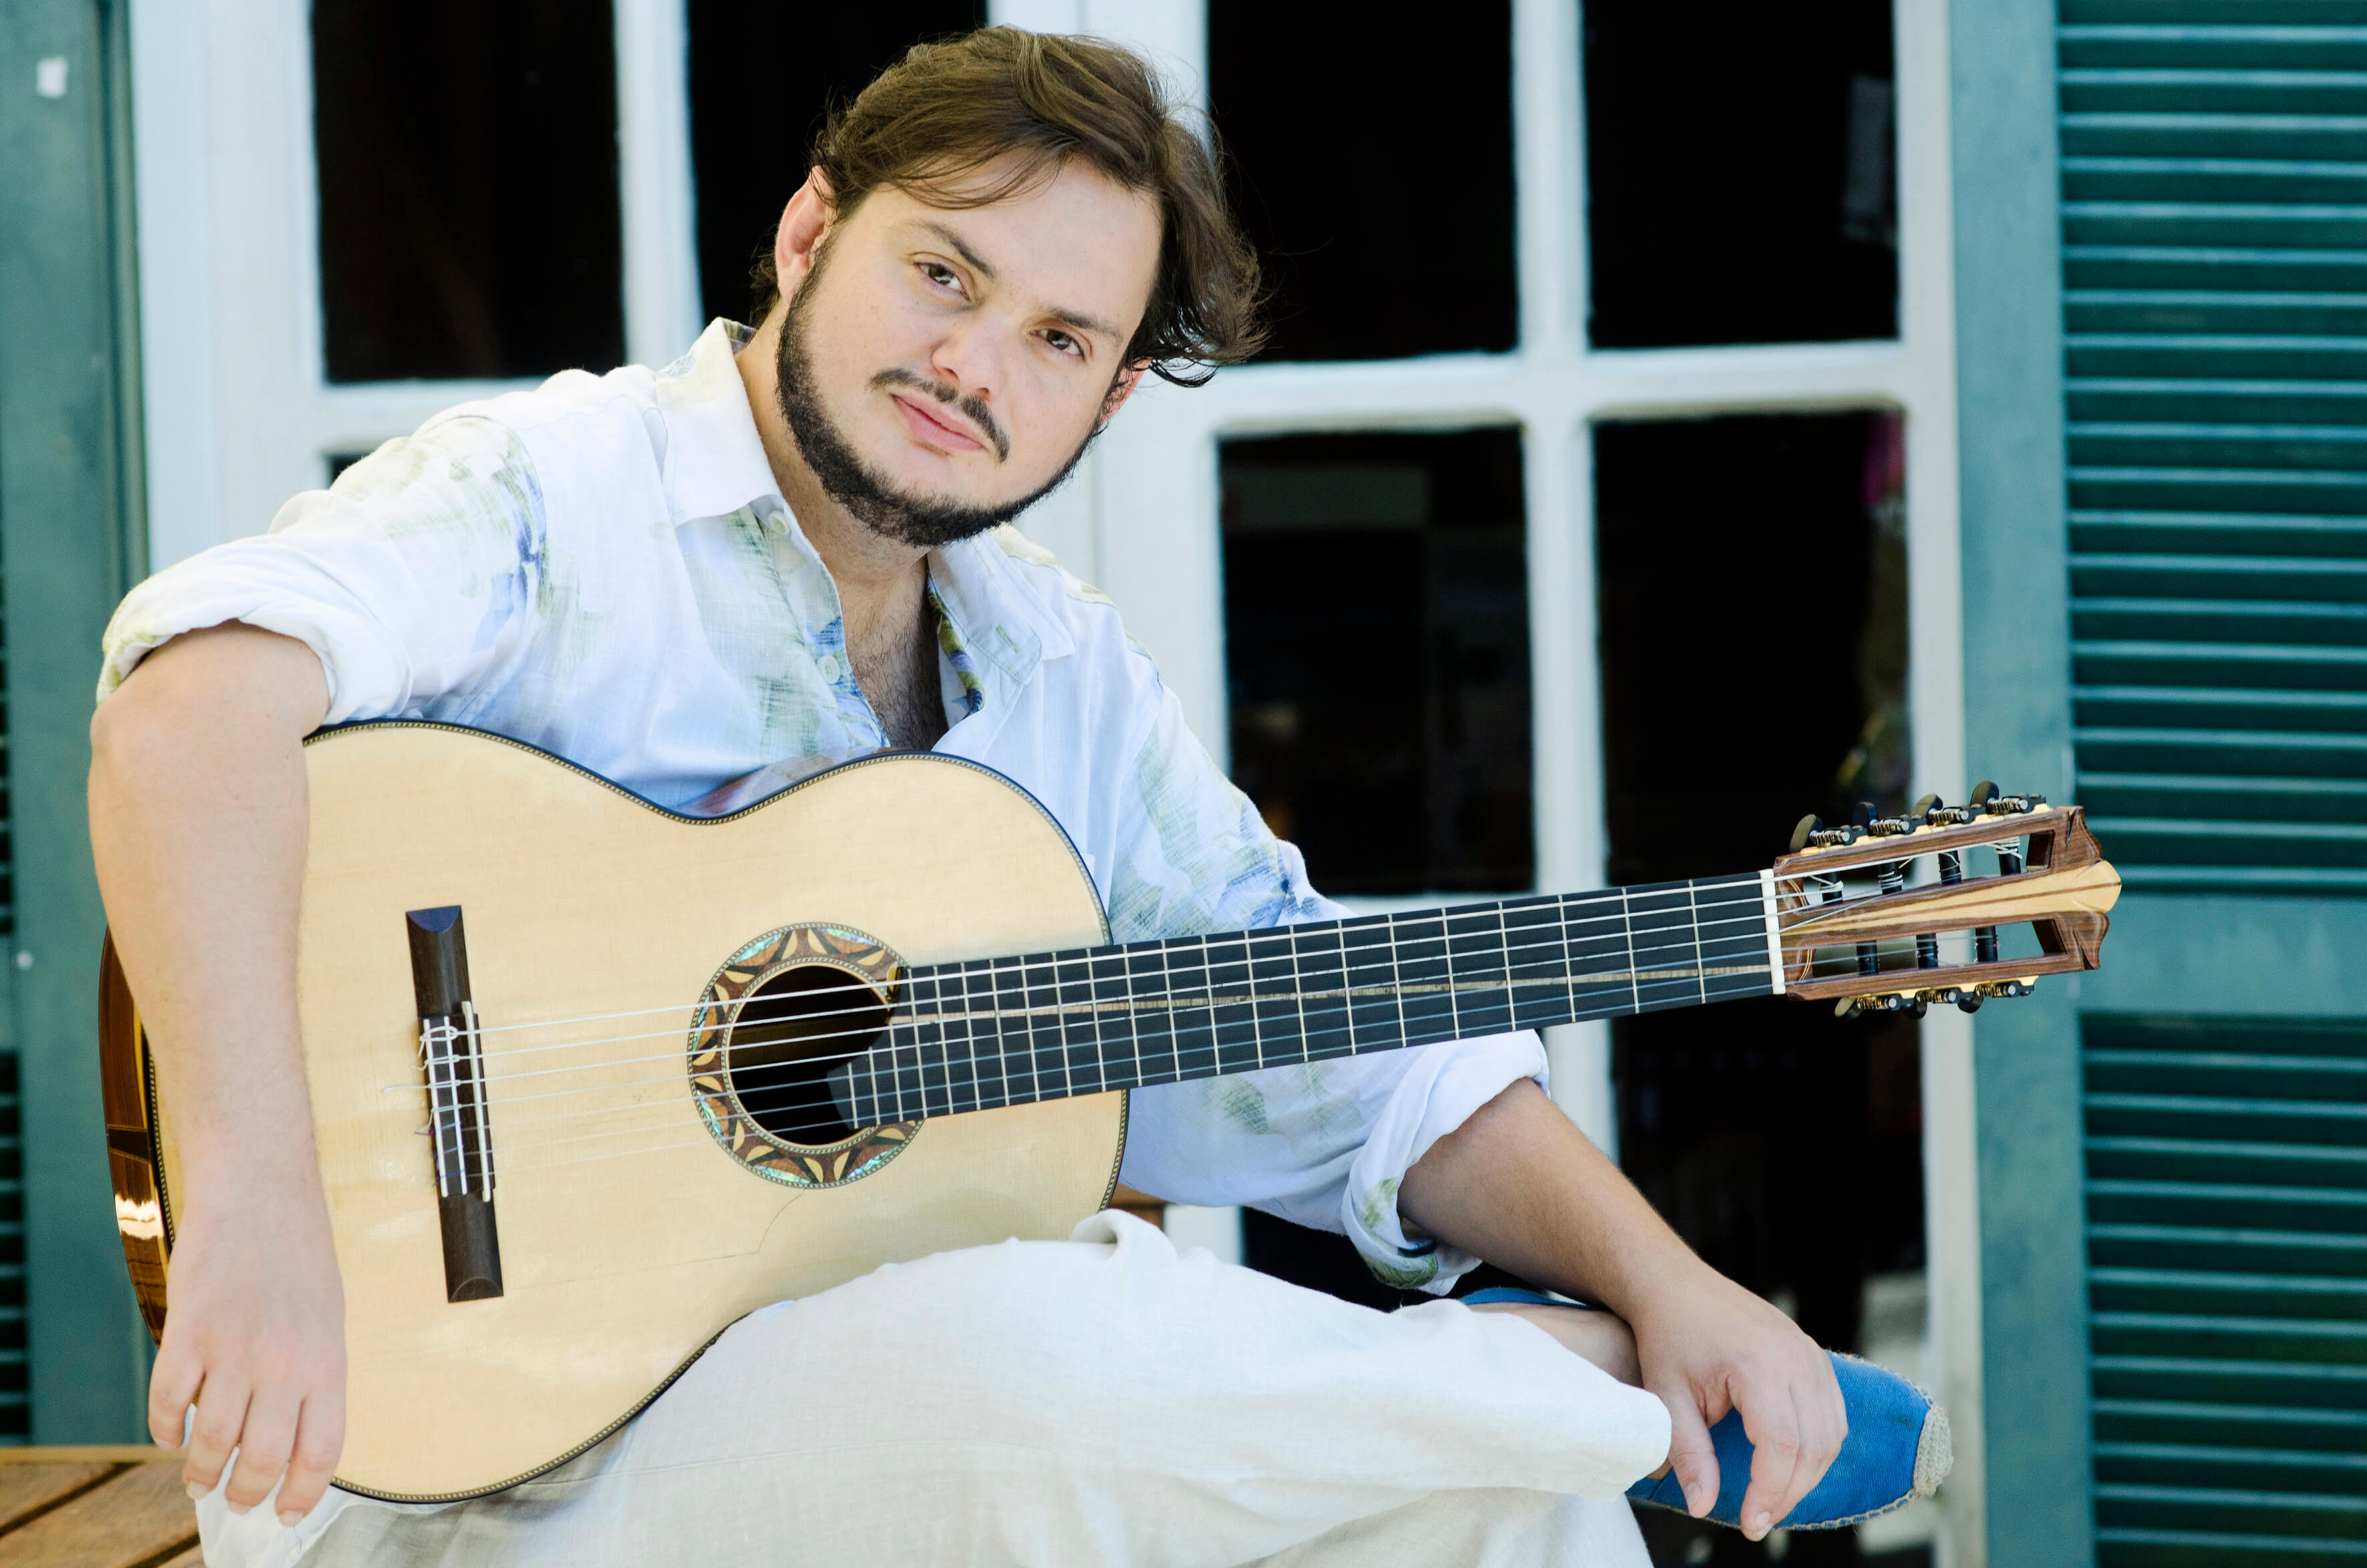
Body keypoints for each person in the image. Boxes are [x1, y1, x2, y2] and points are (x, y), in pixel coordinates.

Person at [89, 29, 1877, 1567]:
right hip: (424, 1478)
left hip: (871, 1452)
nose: (974, 367)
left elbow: (1348, 1046)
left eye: (1058, 339)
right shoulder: (563, 497)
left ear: (1108, 398)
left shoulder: (1051, 671)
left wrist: (1676, 1285)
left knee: (1505, 1509)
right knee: (1040, 1321)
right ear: (810, 233)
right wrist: (258, 1208)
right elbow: (187, 713)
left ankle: (1572, 1401)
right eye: (943, 275)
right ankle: (1560, 1383)